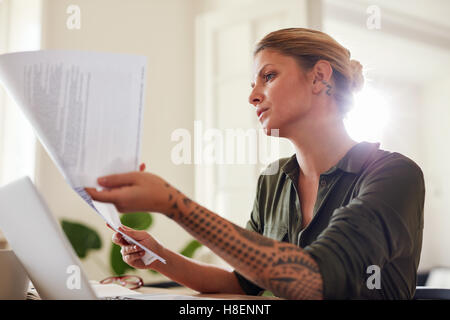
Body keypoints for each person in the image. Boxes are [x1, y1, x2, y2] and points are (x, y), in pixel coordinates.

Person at [86, 28, 425, 300]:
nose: (253, 96)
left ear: (320, 76)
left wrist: (176, 205)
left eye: (269, 76)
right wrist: (158, 254)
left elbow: (314, 279)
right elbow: (243, 285)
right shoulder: (274, 180)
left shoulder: (394, 175)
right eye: (253, 84)